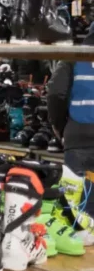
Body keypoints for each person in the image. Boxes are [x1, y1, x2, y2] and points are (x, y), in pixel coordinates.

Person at [48, 29, 94, 174]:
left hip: (78, 137)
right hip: (77, 138)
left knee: (76, 194)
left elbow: (56, 93)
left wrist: (60, 128)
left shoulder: (71, 58)